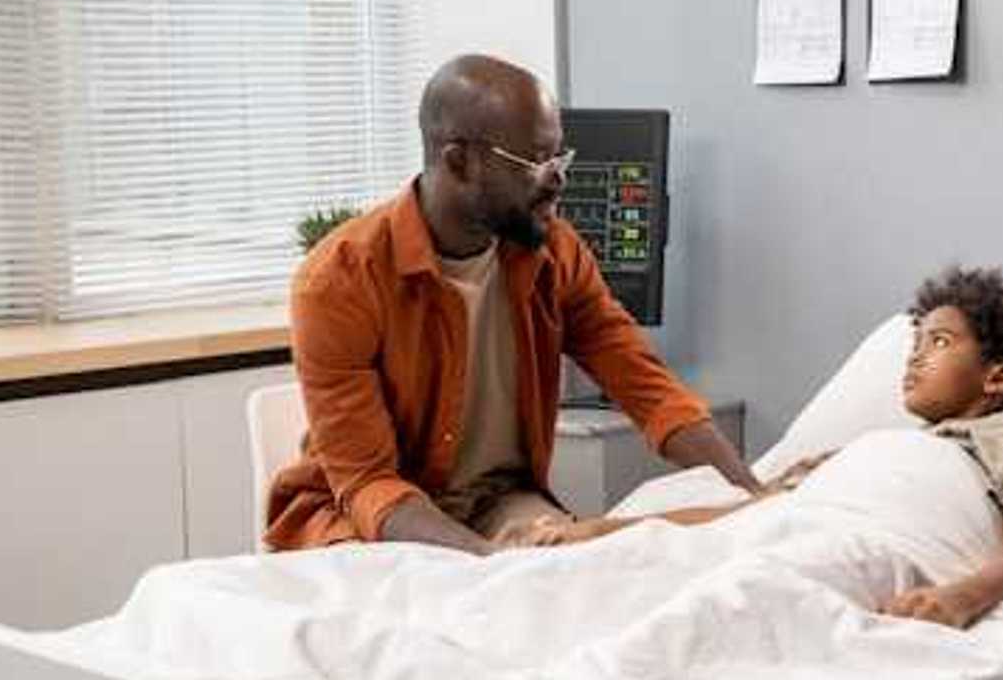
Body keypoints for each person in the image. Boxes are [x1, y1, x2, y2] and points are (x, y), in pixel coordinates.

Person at [263, 54, 759, 554]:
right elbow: (369, 484)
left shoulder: (557, 254)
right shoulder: (340, 280)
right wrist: (492, 564)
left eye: (559, 158)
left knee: (576, 573)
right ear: (458, 161)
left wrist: (754, 495)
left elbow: (650, 391)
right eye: (536, 161)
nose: (557, 178)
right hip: (364, 519)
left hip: (495, 504)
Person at [539, 265, 1003, 629]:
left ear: (998, 377)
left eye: (938, 342)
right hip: (788, 529)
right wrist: (599, 531)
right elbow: (750, 517)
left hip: (871, 546)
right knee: (616, 591)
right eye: (914, 343)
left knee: (732, 608)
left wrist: (959, 599)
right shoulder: (870, 449)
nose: (913, 358)